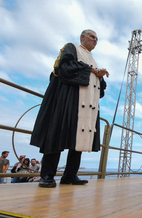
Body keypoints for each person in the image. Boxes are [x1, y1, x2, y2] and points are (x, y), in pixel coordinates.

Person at [30, 29, 109, 188]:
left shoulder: (93, 59)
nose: (95, 40)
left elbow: (98, 87)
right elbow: (65, 67)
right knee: (57, 133)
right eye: (92, 37)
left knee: (80, 138)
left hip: (87, 105)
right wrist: (93, 71)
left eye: (97, 38)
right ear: (83, 37)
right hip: (68, 100)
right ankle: (47, 175)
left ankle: (70, 175)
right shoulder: (72, 47)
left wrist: (99, 77)